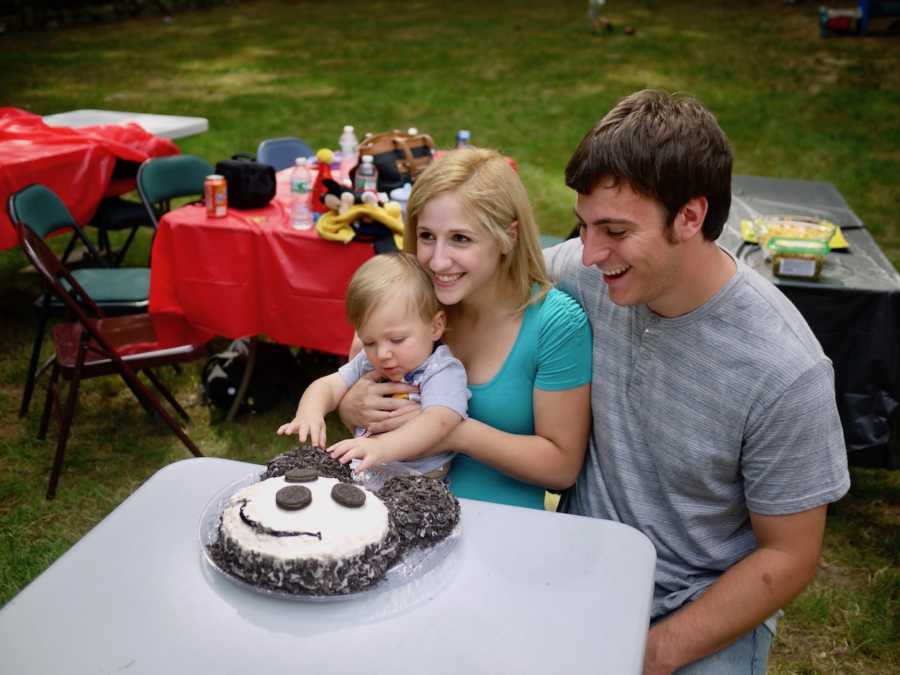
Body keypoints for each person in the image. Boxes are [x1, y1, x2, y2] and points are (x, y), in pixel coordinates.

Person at [543, 89, 851, 674]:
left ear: (690, 216)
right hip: (578, 568)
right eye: (582, 227)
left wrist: (653, 655)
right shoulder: (590, 278)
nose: (587, 254)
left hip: (699, 607)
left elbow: (789, 555)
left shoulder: (785, 370)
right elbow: (492, 273)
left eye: (613, 231)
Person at [338, 148, 593, 509]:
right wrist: (349, 405)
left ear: (508, 236)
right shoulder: (402, 302)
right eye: (427, 236)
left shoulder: (555, 324)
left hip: (501, 532)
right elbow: (353, 389)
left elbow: (561, 467)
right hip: (388, 514)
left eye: (461, 239)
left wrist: (451, 431)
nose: (438, 261)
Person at [277, 252, 468, 477]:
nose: (382, 353)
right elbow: (328, 385)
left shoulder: (441, 370)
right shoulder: (369, 361)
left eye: (397, 340)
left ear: (436, 327)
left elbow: (439, 422)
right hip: (367, 473)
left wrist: (382, 447)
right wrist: (309, 412)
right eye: (369, 342)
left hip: (420, 485)